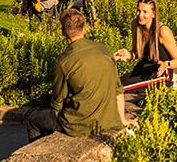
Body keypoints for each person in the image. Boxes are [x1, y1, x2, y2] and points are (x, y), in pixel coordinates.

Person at [27, 10, 128, 141]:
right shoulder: (104, 50)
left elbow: (58, 102)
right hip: (109, 121)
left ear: (61, 32)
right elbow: (118, 90)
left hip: (79, 125)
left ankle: (37, 155)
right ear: (85, 29)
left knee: (33, 120)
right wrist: (122, 119)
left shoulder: (63, 62)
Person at [113, 0, 177, 83]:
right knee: (116, 83)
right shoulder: (136, 25)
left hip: (159, 74)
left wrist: (166, 64)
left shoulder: (162, 31)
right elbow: (137, 53)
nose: (140, 15)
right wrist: (127, 54)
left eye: (145, 12)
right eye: (138, 11)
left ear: (153, 14)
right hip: (143, 70)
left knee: (121, 88)